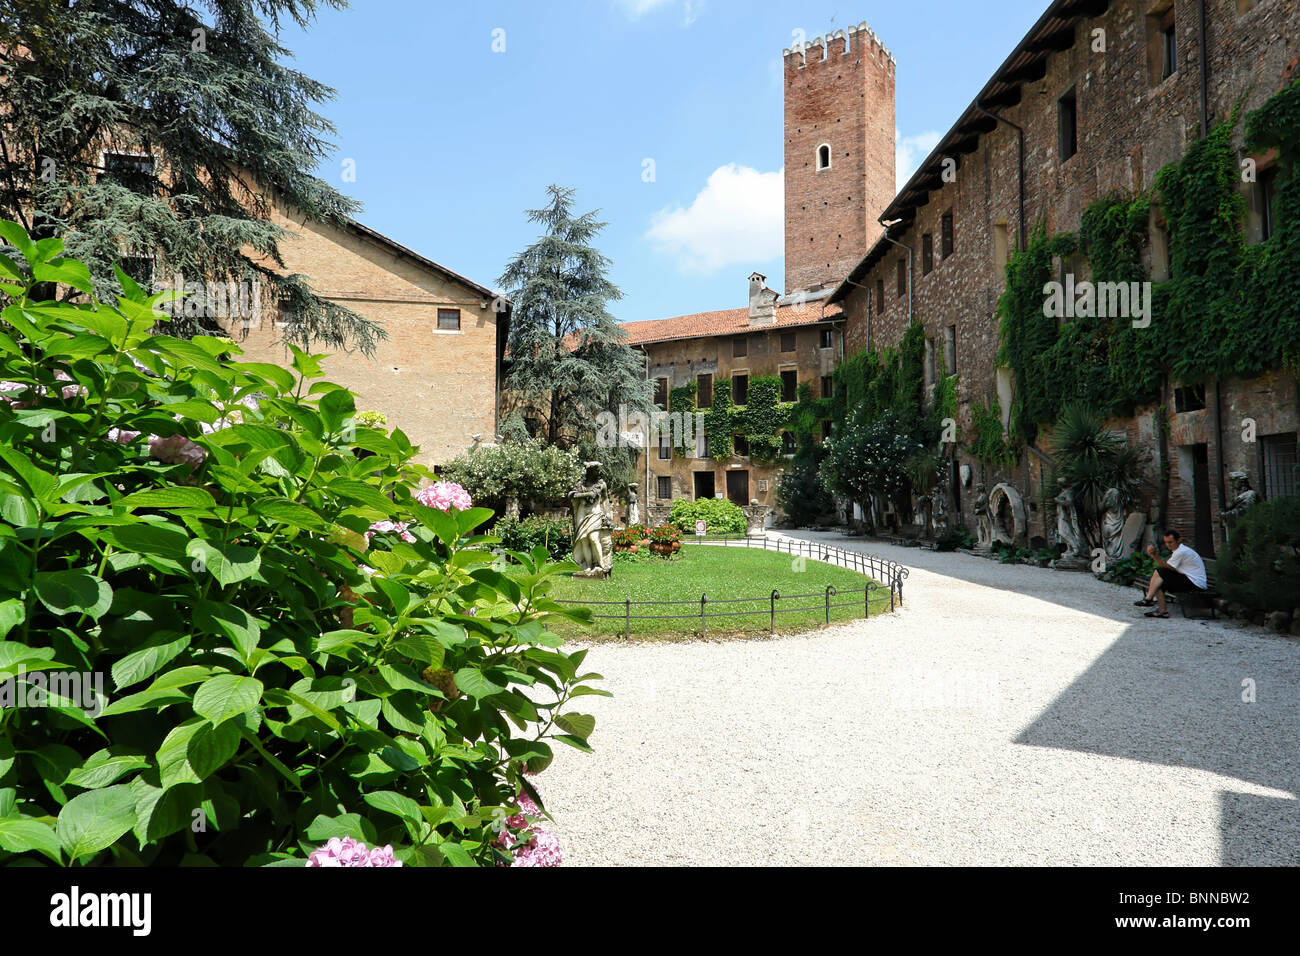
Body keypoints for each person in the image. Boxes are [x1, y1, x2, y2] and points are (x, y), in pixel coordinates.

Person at [1133, 529, 1207, 618]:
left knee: (1161, 572)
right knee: (1159, 581)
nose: (1168, 545)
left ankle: (1148, 599)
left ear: (1178, 540)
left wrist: (1154, 555)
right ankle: (1162, 611)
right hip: (1190, 580)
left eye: (1170, 542)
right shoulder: (1179, 551)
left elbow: (1166, 567)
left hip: (1195, 583)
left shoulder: (1181, 552)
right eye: (1166, 542)